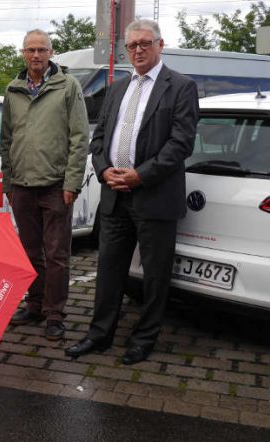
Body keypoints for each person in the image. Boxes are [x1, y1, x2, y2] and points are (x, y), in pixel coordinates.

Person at [65, 19, 199, 364]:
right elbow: (99, 139)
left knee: (155, 276)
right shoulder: (117, 88)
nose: (137, 50)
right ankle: (99, 334)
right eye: (131, 46)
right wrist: (104, 168)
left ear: (160, 44)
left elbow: (180, 144)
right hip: (114, 196)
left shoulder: (181, 87)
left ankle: (144, 339)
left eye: (144, 43)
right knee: (109, 269)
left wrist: (140, 176)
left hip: (154, 196)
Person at [1, 29, 89, 341]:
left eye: (41, 50)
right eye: (30, 50)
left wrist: (72, 182)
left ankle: (55, 313)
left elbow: (80, 137)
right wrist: (9, 183)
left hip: (56, 186)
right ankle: (34, 304)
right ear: (23, 53)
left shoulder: (68, 86)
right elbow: (7, 139)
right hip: (22, 186)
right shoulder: (13, 89)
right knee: (28, 252)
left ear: (51, 52)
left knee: (56, 255)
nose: (36, 55)